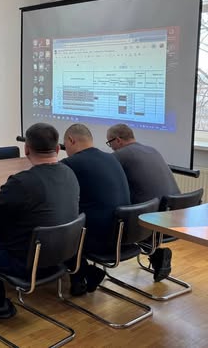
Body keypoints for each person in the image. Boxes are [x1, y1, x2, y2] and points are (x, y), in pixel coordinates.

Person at [0, 123, 79, 322]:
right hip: (62, 256)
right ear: (57, 148)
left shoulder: (22, 182)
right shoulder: (70, 173)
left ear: (26, 149)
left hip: (26, 262)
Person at [62, 123, 131, 296]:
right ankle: (84, 273)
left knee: (58, 223)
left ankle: (82, 274)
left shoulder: (71, 163)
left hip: (99, 239)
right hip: (124, 234)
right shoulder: (111, 158)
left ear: (71, 140)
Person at [107, 123, 180, 281]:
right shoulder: (152, 150)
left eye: (110, 143)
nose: (111, 147)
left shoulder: (120, 155)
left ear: (118, 140)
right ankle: (156, 254)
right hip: (173, 216)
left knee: (111, 218)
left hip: (151, 219)